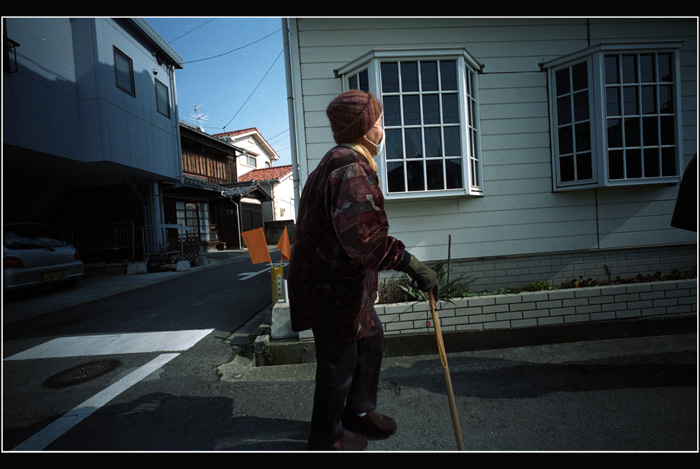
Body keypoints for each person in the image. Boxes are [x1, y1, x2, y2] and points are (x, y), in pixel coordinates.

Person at [287, 90, 438, 451]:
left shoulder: (340, 160)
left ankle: (358, 411)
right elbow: (366, 240)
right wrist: (412, 265)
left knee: (370, 339)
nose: (383, 128)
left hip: (344, 284)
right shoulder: (350, 168)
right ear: (365, 127)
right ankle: (326, 436)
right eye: (379, 121)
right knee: (339, 359)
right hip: (332, 287)